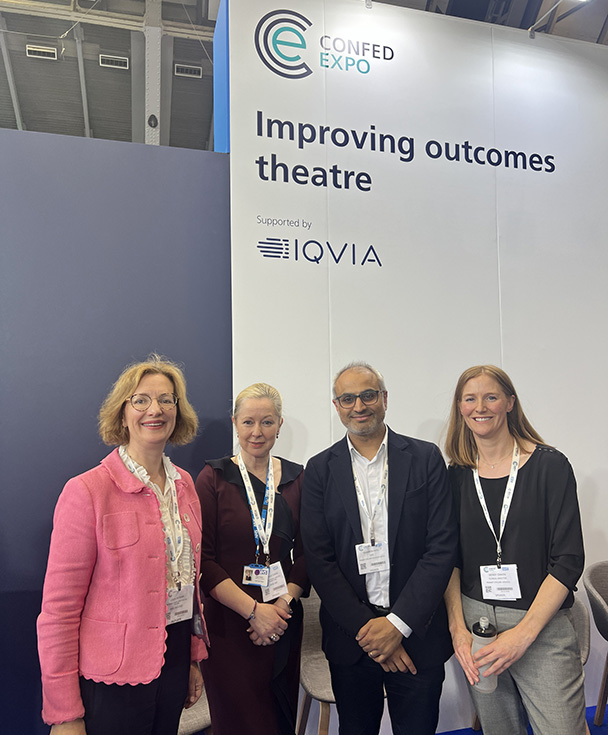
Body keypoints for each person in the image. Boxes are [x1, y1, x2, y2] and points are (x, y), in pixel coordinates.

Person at [37, 355, 208, 735]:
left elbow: (187, 585)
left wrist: (193, 656)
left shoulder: (185, 486)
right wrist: (64, 713)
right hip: (111, 679)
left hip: (173, 660)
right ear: (122, 411)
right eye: (141, 399)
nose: (155, 410)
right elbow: (59, 612)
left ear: (178, 412)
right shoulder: (87, 491)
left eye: (167, 400)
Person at [300, 362, 457, 735]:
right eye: (348, 398)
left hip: (417, 635)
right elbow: (319, 560)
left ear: (384, 399)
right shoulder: (319, 469)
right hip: (352, 641)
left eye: (368, 395)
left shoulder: (426, 458)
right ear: (336, 405)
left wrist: (397, 625)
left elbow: (441, 548)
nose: (359, 405)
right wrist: (370, 631)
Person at [443, 364, 586, 735]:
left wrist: (523, 634)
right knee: (499, 729)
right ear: (459, 407)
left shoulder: (550, 466)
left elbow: (568, 561)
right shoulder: (456, 475)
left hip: (540, 625)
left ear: (509, 402)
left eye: (491, 396)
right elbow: (448, 561)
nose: (481, 407)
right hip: (479, 627)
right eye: (470, 398)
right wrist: (458, 629)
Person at [195, 382, 307, 735]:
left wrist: (281, 607)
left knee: (279, 718)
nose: (257, 432)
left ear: (280, 425)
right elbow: (204, 562)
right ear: (234, 423)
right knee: (239, 722)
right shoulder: (212, 478)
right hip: (230, 624)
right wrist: (255, 612)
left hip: (283, 621)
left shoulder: (298, 478)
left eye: (267, 422)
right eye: (248, 422)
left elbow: (309, 556)